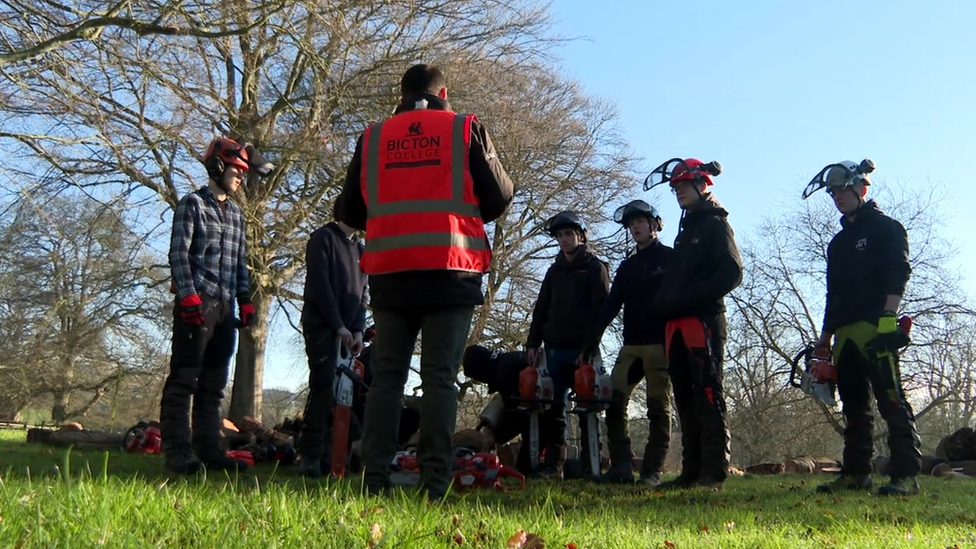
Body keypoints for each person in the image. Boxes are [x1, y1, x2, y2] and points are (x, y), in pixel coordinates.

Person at [336, 63, 514, 499]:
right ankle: (435, 484)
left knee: (387, 379)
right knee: (438, 379)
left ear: (402, 94)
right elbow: (501, 195)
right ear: (444, 92)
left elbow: (349, 211)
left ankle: (374, 479)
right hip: (451, 271)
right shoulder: (465, 129)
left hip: (391, 273)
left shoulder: (373, 137)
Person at [803, 159, 921, 496]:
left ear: (861, 188)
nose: (837, 196)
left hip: (875, 326)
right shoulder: (838, 244)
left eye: (842, 189)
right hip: (844, 334)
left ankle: (906, 475)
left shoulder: (887, 228)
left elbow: (898, 271)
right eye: (833, 192)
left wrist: (889, 314)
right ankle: (856, 473)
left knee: (892, 401)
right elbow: (833, 293)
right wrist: (824, 339)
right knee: (854, 407)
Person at [161, 137, 272, 474]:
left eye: (243, 172)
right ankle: (177, 452)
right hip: (197, 301)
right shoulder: (192, 204)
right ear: (217, 167)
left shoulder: (237, 215)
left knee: (214, 384)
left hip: (225, 306)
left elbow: (240, 263)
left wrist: (245, 300)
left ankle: (209, 448)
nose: (240, 177)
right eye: (236, 171)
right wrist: (188, 295)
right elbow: (178, 253)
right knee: (185, 379)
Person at [645, 157, 741, 491]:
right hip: (676, 324)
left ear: (703, 185)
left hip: (703, 320)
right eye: (675, 188)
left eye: (684, 186)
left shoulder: (715, 224)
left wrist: (689, 299)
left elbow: (731, 272)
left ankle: (713, 473)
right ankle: (691, 471)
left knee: (708, 393)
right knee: (684, 397)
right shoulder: (686, 230)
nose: (679, 192)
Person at [581, 199, 673, 485]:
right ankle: (621, 465)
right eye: (631, 224)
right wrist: (592, 338)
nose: (635, 227)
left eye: (640, 222)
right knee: (614, 401)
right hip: (631, 345)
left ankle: (652, 470)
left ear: (654, 225)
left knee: (658, 407)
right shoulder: (627, 266)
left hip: (661, 346)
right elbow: (611, 305)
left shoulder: (671, 258)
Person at [525, 211, 611, 479]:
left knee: (588, 406)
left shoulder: (596, 268)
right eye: (560, 235)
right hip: (554, 348)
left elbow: (602, 312)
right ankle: (554, 465)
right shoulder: (553, 271)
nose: (564, 240)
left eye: (568, 234)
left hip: (583, 350)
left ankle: (591, 464)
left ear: (580, 235)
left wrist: (590, 345)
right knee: (554, 408)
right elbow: (541, 309)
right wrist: (532, 342)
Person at [297, 198, 368, 478]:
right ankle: (311, 456)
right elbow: (319, 286)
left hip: (350, 334)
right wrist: (338, 326)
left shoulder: (361, 250)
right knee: (323, 387)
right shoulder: (323, 239)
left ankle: (335, 457)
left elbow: (363, 294)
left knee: (344, 395)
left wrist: (358, 330)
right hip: (322, 327)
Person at [462, 345, 534, 473]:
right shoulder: (507, 361)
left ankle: (526, 470)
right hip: (544, 402)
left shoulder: (504, 375)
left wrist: (495, 437)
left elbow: (516, 416)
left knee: (528, 428)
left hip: (538, 410)